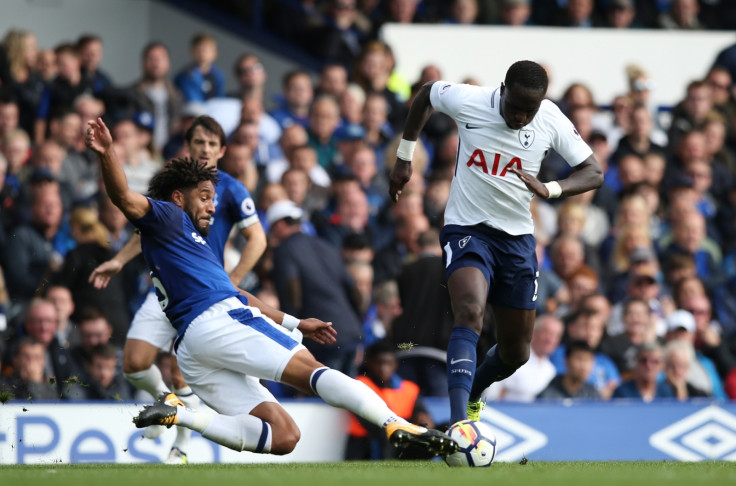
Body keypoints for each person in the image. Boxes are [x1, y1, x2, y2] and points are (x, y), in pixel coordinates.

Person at [84, 117, 456, 459]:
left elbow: (240, 294)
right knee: (309, 369)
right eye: (203, 197)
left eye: (213, 198)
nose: (212, 207)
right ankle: (398, 426)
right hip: (216, 323)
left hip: (193, 351)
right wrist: (108, 152)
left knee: (284, 437)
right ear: (178, 196)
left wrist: (294, 323)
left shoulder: (190, 246)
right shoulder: (169, 217)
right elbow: (124, 198)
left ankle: (182, 416)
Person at [389, 60, 603, 424]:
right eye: (515, 107)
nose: (520, 117)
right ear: (502, 89)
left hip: (517, 240)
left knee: (516, 352)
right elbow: (426, 94)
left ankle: (474, 392)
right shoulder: (470, 100)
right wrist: (404, 157)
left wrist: (551, 188)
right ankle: (459, 424)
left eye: (528, 111)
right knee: (469, 311)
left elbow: (593, 171)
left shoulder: (549, 118)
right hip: (467, 228)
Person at [88, 115, 267, 464]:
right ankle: (166, 402)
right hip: (167, 289)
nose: (205, 149)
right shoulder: (175, 190)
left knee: (179, 368)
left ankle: (180, 447)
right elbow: (148, 227)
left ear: (222, 150)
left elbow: (257, 239)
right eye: (199, 142)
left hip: (204, 298)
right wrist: (120, 260)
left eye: (212, 144)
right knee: (134, 365)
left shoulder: (230, 189)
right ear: (189, 146)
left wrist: (233, 279)